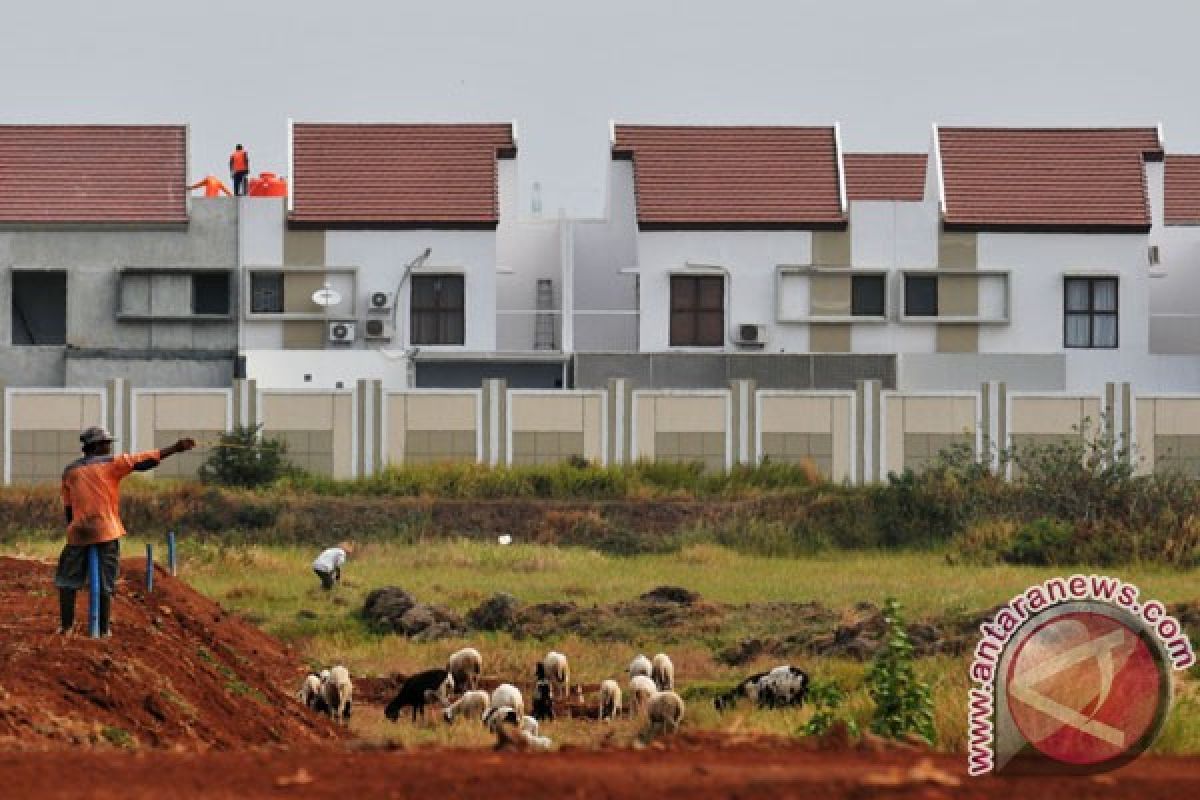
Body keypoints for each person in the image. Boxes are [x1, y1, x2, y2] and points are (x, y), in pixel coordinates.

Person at [57, 427, 195, 636]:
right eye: (106, 444)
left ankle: (66, 627)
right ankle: (103, 630)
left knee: (67, 580)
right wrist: (175, 448)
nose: (109, 447)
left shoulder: (70, 471)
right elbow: (144, 460)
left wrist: (73, 529)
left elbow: (68, 507)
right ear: (96, 446)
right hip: (106, 530)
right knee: (106, 581)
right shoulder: (111, 464)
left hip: (79, 532)